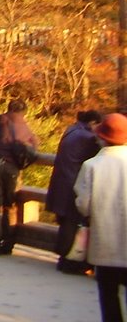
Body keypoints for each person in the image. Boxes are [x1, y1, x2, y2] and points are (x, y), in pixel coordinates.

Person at [75, 113, 127, 322]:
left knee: (108, 294)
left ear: (102, 137)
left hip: (105, 242)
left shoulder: (92, 166)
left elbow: (83, 206)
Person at [47, 109, 101, 274]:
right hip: (73, 184)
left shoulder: (71, 130)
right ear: (93, 123)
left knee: (66, 224)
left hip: (61, 183)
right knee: (73, 225)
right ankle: (71, 263)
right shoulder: (88, 138)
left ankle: (64, 260)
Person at [0, 98, 38, 256]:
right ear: (24, 112)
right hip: (11, 168)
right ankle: (8, 243)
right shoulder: (25, 127)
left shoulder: (0, 120)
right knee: (10, 206)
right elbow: (33, 145)